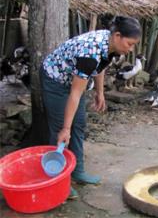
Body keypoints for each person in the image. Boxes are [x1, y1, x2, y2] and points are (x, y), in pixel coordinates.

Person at [39, 16, 142, 199]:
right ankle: (59, 182)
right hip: (55, 79)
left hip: (72, 79)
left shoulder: (110, 45)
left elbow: (100, 67)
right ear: (117, 36)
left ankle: (77, 171)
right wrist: (65, 128)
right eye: (130, 43)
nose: (131, 49)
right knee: (60, 131)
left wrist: (100, 92)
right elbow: (75, 94)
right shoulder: (90, 53)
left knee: (78, 124)